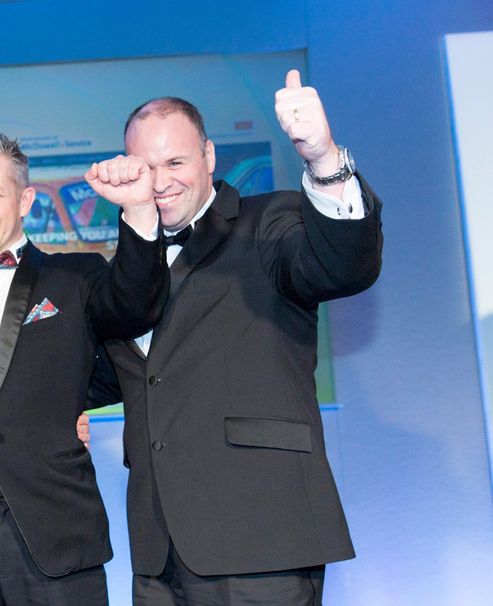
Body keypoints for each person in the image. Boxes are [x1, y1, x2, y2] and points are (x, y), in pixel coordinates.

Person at [95, 70, 384, 605]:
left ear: (208, 156)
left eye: (175, 162)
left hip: (261, 539)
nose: (160, 182)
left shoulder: (268, 223)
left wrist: (323, 159)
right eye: (146, 167)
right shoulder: (127, 264)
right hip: (158, 553)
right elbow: (102, 375)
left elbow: (341, 267)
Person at [0, 131, 170, 605]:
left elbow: (136, 308)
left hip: (55, 533)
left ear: (25, 200)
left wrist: (141, 213)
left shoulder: (76, 278)